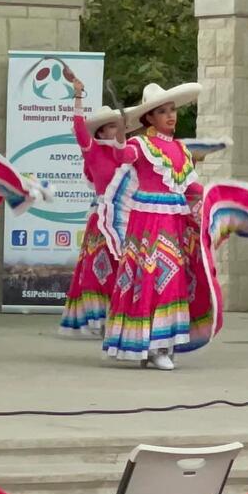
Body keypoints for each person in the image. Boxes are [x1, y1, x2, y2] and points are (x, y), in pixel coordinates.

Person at [99, 81, 206, 370]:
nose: (170, 116)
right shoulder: (140, 144)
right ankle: (151, 346)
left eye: (172, 110)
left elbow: (190, 184)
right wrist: (121, 133)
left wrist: (210, 196)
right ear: (149, 118)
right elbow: (121, 156)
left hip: (173, 222)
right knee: (150, 279)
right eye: (162, 111)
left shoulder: (181, 150)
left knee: (172, 279)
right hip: (146, 223)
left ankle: (163, 343)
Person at [60, 77, 125, 336]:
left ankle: (119, 316)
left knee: (123, 268)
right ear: (100, 132)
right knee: (99, 270)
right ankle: (98, 318)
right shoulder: (94, 152)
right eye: (110, 127)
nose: (116, 130)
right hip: (101, 219)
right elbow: (78, 129)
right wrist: (78, 97)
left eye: (117, 126)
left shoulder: (128, 151)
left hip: (125, 219)